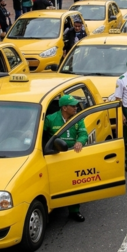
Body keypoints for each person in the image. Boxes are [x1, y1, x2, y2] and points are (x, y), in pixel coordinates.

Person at [43, 94, 88, 222]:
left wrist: (80, 141)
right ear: (64, 108)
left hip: (72, 156)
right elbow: (40, 133)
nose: (76, 108)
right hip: (56, 156)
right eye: (73, 106)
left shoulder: (78, 119)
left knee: (74, 183)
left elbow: (83, 133)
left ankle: (74, 211)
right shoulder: (51, 119)